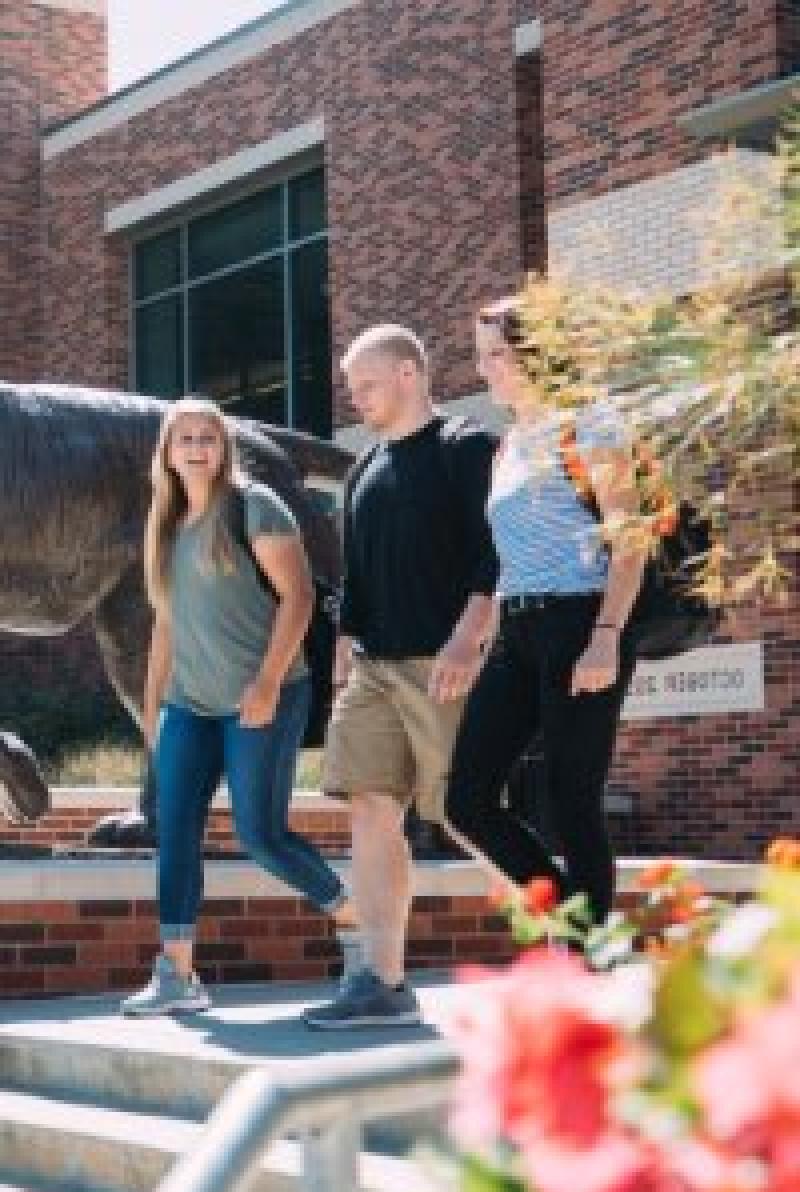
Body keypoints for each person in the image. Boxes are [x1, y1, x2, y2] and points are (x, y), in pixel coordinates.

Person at [122, 397, 354, 1016]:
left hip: (264, 695)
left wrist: (268, 683)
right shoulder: (166, 525)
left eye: (208, 438)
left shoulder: (255, 505)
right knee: (173, 831)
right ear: (167, 453)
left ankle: (355, 920)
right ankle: (177, 974)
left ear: (224, 447)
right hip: (189, 705)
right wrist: (152, 709)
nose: (197, 449)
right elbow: (166, 626)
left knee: (260, 834)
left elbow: (299, 597)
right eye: (185, 439)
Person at [304, 325, 498, 1029]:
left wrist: (467, 640)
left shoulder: (464, 447)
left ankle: (579, 949)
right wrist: (341, 660)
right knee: (368, 808)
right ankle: (382, 980)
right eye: (351, 388)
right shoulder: (364, 468)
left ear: (411, 373)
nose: (356, 400)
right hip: (373, 669)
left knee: (476, 816)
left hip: (442, 662)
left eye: (368, 385)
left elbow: (493, 554)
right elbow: (354, 580)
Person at [445, 298, 648, 926]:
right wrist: (479, 632)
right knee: (467, 799)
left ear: (540, 353)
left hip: (580, 619)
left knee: (570, 800)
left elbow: (630, 537)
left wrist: (606, 635)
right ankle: (580, 924)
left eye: (500, 355)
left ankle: (588, 959)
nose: (487, 370)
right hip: (519, 628)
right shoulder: (508, 444)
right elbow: (509, 551)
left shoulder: (591, 425)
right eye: (482, 357)